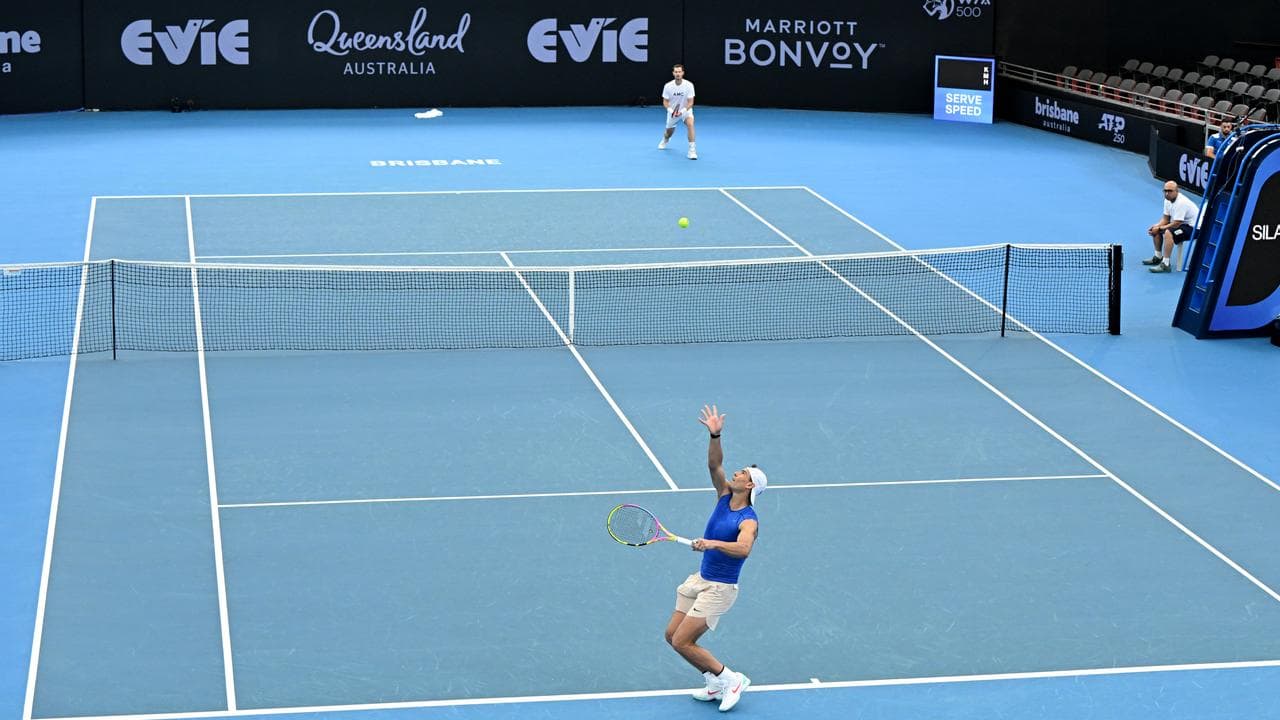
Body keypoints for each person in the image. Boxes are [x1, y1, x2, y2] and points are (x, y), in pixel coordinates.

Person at [663, 404, 764, 712]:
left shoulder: (749, 520)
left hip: (720, 589)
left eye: (741, 473)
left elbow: (744, 549)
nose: (734, 472)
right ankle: (713, 680)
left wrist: (712, 543)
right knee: (671, 636)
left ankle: (730, 679)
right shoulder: (723, 496)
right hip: (701, 580)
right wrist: (715, 434)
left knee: (683, 641)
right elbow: (714, 465)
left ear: (749, 485)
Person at [1143, 180, 1200, 273]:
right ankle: (1158, 257)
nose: (1167, 193)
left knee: (1168, 232)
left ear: (1177, 191)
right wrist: (1156, 226)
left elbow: (1176, 223)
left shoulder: (1181, 202)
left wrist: (1161, 228)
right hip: (1182, 224)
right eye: (1165, 191)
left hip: (1194, 228)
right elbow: (1165, 219)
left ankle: (1166, 264)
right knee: (1155, 229)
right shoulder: (1167, 200)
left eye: (1170, 191)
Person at [659, 64, 697, 160]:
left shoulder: (689, 85)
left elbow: (691, 102)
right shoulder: (668, 86)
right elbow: (665, 102)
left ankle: (692, 151)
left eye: (679, 72)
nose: (678, 74)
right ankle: (665, 139)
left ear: (683, 73)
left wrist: (683, 111)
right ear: (673, 73)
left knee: (690, 124)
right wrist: (671, 110)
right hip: (672, 112)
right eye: (676, 72)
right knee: (668, 133)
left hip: (685, 110)